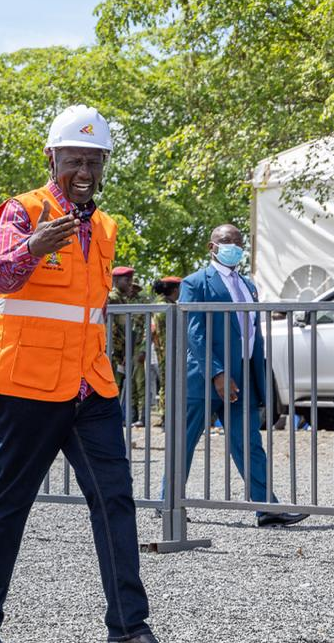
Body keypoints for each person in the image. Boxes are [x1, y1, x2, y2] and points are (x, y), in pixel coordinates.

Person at [0, 105, 189, 643]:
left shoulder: (107, 227)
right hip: (27, 384)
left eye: (94, 160)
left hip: (90, 387)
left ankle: (128, 629)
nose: (84, 171)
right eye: (74, 160)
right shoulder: (24, 211)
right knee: (10, 502)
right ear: (52, 159)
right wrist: (33, 247)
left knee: (116, 501)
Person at [167, 226, 308, 528]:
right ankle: (169, 504)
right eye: (227, 242)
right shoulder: (195, 283)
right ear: (212, 246)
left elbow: (252, 332)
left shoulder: (248, 285)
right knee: (186, 441)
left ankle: (266, 507)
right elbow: (195, 332)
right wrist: (217, 372)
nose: (234, 247)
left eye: (239, 242)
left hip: (243, 376)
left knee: (248, 442)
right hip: (203, 378)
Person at [108, 266, 148, 425]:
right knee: (111, 389)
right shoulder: (112, 298)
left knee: (118, 388)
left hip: (121, 352)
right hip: (111, 352)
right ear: (116, 281)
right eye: (127, 280)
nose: (130, 283)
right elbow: (111, 329)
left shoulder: (123, 299)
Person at [150, 276, 182, 427]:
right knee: (167, 384)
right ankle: (166, 416)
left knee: (168, 383)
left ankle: (168, 416)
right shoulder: (165, 307)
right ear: (175, 290)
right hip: (167, 351)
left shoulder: (165, 304)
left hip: (167, 350)